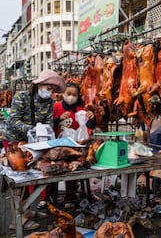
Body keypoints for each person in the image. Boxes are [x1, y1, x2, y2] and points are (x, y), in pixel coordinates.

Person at [3, 69, 65, 230]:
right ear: (38, 84)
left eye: (53, 90)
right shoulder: (21, 97)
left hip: (34, 142)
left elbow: (49, 122)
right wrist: (31, 129)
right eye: (48, 87)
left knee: (31, 177)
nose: (49, 92)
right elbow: (13, 120)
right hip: (15, 141)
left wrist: (47, 134)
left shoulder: (49, 102)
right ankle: (18, 219)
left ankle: (27, 211)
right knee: (19, 178)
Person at [37, 82, 96, 208]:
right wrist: (59, 119)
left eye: (74, 95)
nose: (71, 97)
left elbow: (89, 128)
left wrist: (92, 118)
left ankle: (70, 196)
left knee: (72, 171)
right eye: (68, 94)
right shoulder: (55, 107)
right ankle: (46, 199)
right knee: (50, 171)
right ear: (63, 94)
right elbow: (47, 124)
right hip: (55, 146)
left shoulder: (81, 111)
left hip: (73, 147)